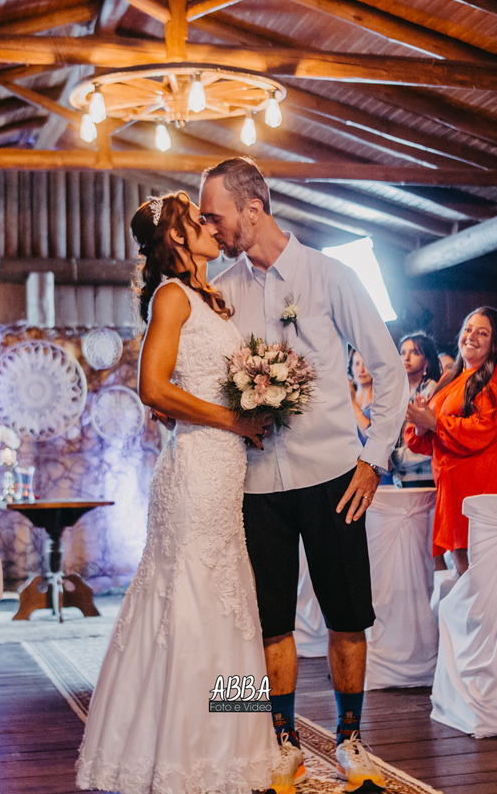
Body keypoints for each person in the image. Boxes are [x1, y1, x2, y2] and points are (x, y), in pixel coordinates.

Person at [202, 158, 409, 793]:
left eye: (215, 215)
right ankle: (280, 743)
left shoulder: (331, 276)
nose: (210, 227)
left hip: (332, 474)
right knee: (266, 621)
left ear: (253, 209)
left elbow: (388, 369)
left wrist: (374, 459)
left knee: (348, 615)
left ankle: (351, 740)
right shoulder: (220, 289)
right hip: (254, 483)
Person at [76, 192, 277, 794]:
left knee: (231, 604)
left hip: (226, 470)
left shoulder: (212, 298)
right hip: (195, 469)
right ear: (179, 239)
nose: (213, 227)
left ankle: (235, 748)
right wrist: (234, 419)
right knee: (192, 603)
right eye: (200, 221)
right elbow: (153, 388)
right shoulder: (171, 296)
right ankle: (182, 754)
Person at [404, 307, 497, 575]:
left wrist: (434, 423)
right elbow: (427, 439)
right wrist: (421, 425)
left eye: (482, 333)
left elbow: (483, 428)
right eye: (468, 329)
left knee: (486, 576)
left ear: (495, 344)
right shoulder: (450, 379)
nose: (471, 336)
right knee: (464, 574)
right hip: (453, 488)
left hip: (486, 484)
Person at [389, 331, 441, 487]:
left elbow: (433, 441)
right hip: (400, 477)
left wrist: (395, 458)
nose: (406, 358)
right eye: (402, 353)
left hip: (424, 477)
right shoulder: (398, 392)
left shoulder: (432, 390)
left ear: (426, 362)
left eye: (415, 353)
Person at [348, 348, 373, 442]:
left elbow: (371, 437)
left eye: (366, 365)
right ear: (351, 367)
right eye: (357, 364)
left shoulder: (380, 400)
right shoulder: (344, 398)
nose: (361, 370)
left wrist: (353, 403)